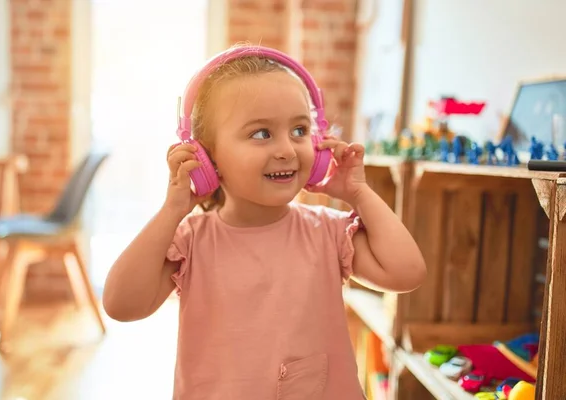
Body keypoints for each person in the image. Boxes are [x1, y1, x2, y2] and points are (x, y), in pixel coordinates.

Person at [102, 44, 426, 399]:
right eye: (261, 134)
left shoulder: (329, 232)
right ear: (206, 157)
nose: (287, 149)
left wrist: (359, 193)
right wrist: (171, 211)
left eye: (300, 130)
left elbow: (407, 272)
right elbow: (121, 304)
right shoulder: (190, 241)